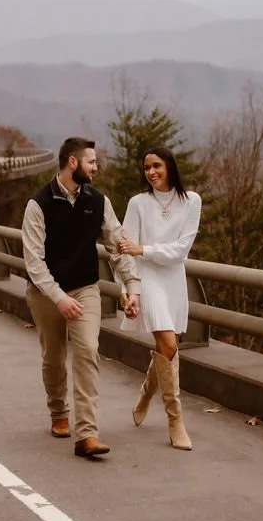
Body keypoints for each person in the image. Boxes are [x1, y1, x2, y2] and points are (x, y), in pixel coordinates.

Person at [22, 136, 141, 458]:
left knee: (87, 350)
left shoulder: (98, 201)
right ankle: (59, 411)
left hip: (86, 288)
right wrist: (58, 297)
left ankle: (87, 433)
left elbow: (118, 245)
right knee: (54, 355)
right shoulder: (38, 204)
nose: (96, 167)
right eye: (91, 162)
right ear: (72, 163)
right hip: (46, 292)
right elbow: (33, 262)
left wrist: (132, 287)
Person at [117, 146, 202, 451]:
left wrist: (145, 249)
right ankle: (175, 421)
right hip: (146, 279)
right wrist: (128, 292)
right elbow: (123, 252)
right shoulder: (138, 203)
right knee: (169, 344)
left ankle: (146, 394)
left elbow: (181, 250)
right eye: (146, 168)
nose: (151, 172)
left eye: (156, 166)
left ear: (169, 167)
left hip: (173, 281)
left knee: (165, 348)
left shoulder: (191, 201)